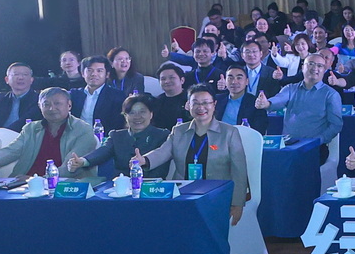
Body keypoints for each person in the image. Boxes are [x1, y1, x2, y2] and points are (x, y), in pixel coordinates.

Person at [132, 86, 248, 222]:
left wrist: (237, 203)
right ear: (188, 105)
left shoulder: (229, 132)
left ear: (214, 104)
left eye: (205, 103)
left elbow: (239, 170)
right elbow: (163, 152)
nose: (201, 107)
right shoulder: (179, 131)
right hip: (182, 194)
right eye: (195, 103)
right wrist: (144, 160)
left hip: (215, 194)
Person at [0, 87, 96, 180]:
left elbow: (70, 167)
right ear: (39, 106)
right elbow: (12, 150)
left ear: (69, 105)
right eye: (46, 104)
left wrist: (37, 180)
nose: (51, 108)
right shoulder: (31, 128)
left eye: (57, 103)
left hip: (63, 185)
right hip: (23, 185)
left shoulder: (83, 129)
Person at [258, 52, 344, 164]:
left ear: (324, 70)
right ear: (303, 67)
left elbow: (336, 125)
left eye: (319, 66)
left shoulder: (331, 95)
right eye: (311, 64)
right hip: (289, 146)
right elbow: (279, 100)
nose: (315, 68)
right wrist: (267, 103)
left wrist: (318, 140)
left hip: (314, 148)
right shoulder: (290, 89)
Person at [70, 95, 170, 179]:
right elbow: (102, 152)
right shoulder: (116, 136)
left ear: (151, 114)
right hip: (121, 187)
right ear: (125, 116)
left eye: (142, 112)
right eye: (132, 113)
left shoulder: (163, 135)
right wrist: (83, 161)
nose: (137, 116)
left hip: (153, 187)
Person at [70, 55, 126, 135]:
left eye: (99, 71)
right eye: (89, 70)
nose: (94, 74)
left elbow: (117, 125)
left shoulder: (117, 96)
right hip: (77, 138)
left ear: (107, 74)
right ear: (82, 73)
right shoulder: (74, 95)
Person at [0, 62, 40, 129]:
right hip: (0, 134)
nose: (21, 78)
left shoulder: (38, 100)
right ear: (7, 80)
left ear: (31, 80)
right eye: (16, 74)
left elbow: (24, 121)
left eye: (25, 74)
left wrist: (6, 131)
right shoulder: (1, 98)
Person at [213, 64, 271, 133]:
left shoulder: (255, 103)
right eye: (230, 78)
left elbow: (260, 130)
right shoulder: (217, 100)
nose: (234, 82)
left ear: (247, 81)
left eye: (239, 78)